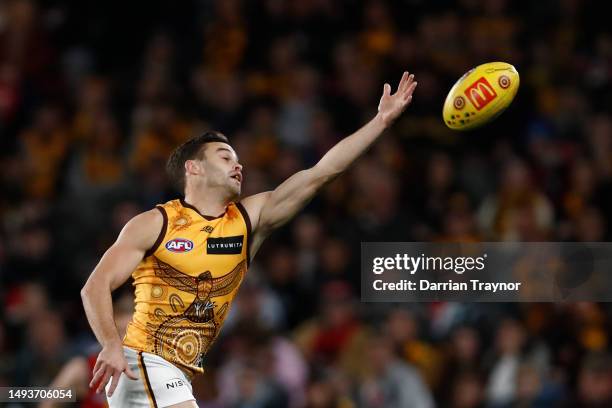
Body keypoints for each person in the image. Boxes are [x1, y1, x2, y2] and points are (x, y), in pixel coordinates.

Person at [80, 72, 417, 408]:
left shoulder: (247, 221)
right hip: (143, 362)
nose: (238, 164)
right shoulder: (156, 222)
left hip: (176, 374)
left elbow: (320, 173)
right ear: (194, 169)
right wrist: (110, 344)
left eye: (237, 159)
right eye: (225, 157)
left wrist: (380, 122)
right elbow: (94, 286)